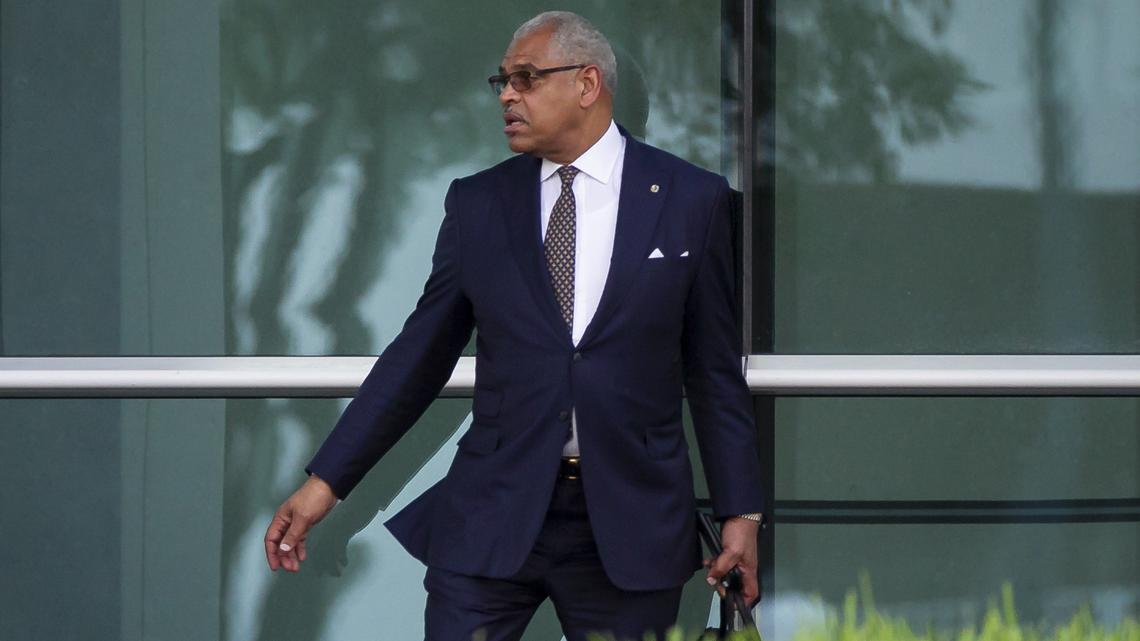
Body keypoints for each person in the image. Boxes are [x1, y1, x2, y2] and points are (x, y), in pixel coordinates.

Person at [264, 11, 766, 641]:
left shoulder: (694, 200)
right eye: (501, 80)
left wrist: (740, 513)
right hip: (491, 517)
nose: (506, 94)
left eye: (526, 78)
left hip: (631, 524)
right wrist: (326, 483)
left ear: (587, 85)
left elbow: (714, 375)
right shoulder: (478, 203)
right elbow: (419, 358)